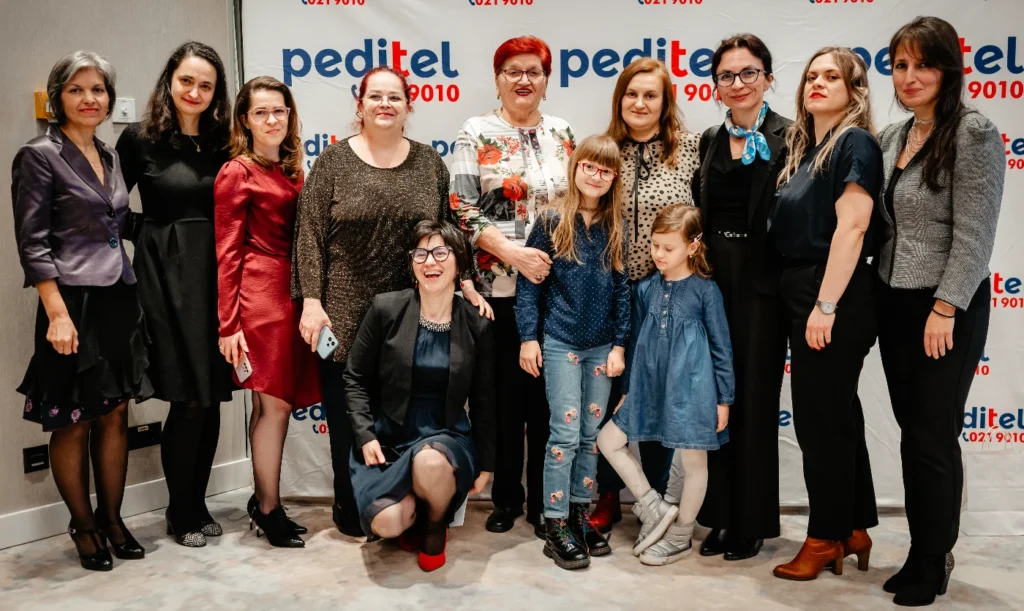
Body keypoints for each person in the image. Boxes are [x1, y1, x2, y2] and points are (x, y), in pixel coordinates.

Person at [292, 66, 490, 538]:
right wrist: (311, 301)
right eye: (375, 96)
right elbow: (309, 235)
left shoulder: (428, 163)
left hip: (410, 315)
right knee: (350, 416)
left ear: (408, 106)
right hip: (342, 313)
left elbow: (447, 232)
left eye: (394, 97)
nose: (385, 104)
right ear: (359, 105)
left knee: (403, 417)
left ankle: (416, 503)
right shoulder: (333, 162)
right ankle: (354, 505)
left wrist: (466, 284)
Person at [876, 16, 1004, 607]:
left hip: (945, 307)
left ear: (949, 69)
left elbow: (976, 234)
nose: (910, 76)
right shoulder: (893, 135)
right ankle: (921, 549)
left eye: (923, 64)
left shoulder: (973, 132)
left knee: (932, 435)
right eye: (901, 65)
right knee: (914, 434)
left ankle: (934, 558)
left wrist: (946, 306)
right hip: (894, 302)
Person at [12, 51, 151, 570]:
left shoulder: (109, 154)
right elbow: (33, 242)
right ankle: (83, 524)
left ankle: (112, 519)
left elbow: (114, 224)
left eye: (98, 90)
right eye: (76, 90)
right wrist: (57, 313)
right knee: (73, 420)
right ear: (58, 98)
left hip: (117, 298)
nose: (89, 99)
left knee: (115, 413)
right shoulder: (38, 155)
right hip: (70, 302)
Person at [450, 35, 576, 537]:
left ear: (546, 81)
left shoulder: (562, 131)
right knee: (503, 400)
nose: (523, 80)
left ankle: (548, 502)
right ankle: (506, 497)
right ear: (498, 79)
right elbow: (460, 208)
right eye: (513, 71)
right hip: (497, 290)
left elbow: (577, 203)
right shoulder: (475, 132)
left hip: (555, 290)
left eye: (534, 72)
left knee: (548, 401)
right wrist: (514, 254)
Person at [768, 47, 882, 581]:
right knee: (837, 415)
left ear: (854, 90)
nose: (817, 83)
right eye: (811, 75)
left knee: (819, 424)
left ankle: (824, 537)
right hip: (806, 289)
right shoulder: (808, 147)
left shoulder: (854, 142)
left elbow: (853, 227)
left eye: (832, 76)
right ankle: (853, 526)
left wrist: (826, 304)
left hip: (832, 292)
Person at [116, 41, 234, 548]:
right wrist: (149, 233)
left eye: (206, 85)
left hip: (218, 276)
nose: (195, 92)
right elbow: (108, 206)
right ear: (170, 80)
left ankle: (198, 503)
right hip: (166, 279)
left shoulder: (225, 140)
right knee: (186, 397)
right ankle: (179, 510)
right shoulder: (139, 138)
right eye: (187, 81)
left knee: (211, 398)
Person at [690, 34, 791, 561]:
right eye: (726, 75)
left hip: (762, 286)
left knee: (753, 401)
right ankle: (720, 514)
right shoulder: (710, 138)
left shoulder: (791, 136)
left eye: (748, 72)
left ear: (768, 78)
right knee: (714, 400)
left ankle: (751, 521)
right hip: (713, 280)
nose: (738, 83)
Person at [345, 220, 496, 572]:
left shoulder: (476, 323)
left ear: (459, 262)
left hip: (445, 434)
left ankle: (435, 525)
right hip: (390, 437)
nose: (430, 262)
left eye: (441, 253)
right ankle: (416, 508)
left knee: (429, 463)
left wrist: (486, 464)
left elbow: (485, 400)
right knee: (387, 523)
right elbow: (355, 377)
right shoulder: (386, 309)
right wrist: (365, 435)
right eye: (421, 254)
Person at [590, 57, 701, 533]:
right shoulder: (604, 150)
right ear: (620, 100)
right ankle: (606, 495)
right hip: (610, 290)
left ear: (665, 101)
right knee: (606, 391)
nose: (640, 103)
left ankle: (653, 497)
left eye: (650, 95)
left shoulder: (690, 148)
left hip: (665, 292)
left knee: (656, 394)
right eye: (631, 94)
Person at [214, 76, 321, 548]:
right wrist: (228, 324)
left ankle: (263, 503)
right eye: (260, 112)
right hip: (260, 298)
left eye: (279, 110)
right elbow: (226, 253)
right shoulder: (237, 171)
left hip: (292, 294)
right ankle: (270, 510)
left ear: (290, 115)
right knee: (273, 404)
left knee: (268, 404)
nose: (271, 119)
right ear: (245, 120)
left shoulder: (294, 169)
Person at [597, 204, 733, 566]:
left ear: (692, 246)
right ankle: (654, 507)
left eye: (668, 248)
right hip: (648, 385)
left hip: (694, 389)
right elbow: (637, 342)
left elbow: (721, 347)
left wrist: (724, 399)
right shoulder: (645, 289)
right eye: (655, 245)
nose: (658, 254)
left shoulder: (706, 291)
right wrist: (628, 390)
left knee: (693, 461)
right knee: (608, 440)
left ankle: (681, 534)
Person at [514, 135, 627, 569]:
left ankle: (580, 513)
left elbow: (621, 290)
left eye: (605, 170)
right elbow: (529, 284)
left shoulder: (615, 225)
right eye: (589, 166)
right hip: (561, 342)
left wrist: (620, 345)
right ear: (575, 166)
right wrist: (528, 337)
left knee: (589, 436)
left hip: (602, 347)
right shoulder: (551, 219)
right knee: (563, 433)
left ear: (614, 178)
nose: (596, 176)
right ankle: (555, 520)